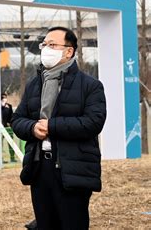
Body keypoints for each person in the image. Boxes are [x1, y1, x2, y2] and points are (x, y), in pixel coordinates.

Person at [12, 26, 107, 229]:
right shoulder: (34, 84)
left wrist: (52, 126)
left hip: (72, 169)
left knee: (72, 223)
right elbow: (17, 119)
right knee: (45, 223)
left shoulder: (90, 86)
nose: (46, 49)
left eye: (52, 44)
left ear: (69, 51)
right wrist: (32, 128)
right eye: (44, 44)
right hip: (40, 167)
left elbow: (93, 123)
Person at [1, 92, 15, 162]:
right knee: (0, 144)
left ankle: (12, 158)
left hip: (7, 127)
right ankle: (1, 159)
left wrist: (11, 124)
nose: (4, 99)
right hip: (0, 128)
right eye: (3, 98)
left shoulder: (9, 106)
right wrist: (2, 107)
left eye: (5, 97)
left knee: (11, 143)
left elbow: (11, 116)